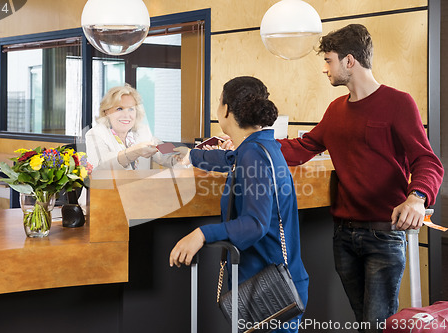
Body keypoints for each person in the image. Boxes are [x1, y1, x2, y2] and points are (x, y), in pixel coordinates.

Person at [277, 24, 444, 332]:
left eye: (329, 60)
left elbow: (427, 161)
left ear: (349, 61)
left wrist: (417, 197)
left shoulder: (398, 103)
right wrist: (251, 143)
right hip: (344, 237)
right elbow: (302, 148)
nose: (325, 69)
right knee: (365, 323)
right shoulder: (335, 110)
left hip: (384, 235)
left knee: (375, 324)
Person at [170, 76, 309, 333]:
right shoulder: (260, 146)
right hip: (276, 282)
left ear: (225, 109)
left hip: (271, 289)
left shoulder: (253, 154)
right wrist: (191, 155)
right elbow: (229, 158)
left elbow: (254, 224)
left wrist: (201, 233)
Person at [85, 84, 177, 170]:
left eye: (131, 109)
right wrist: (134, 151)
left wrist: (184, 153)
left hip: (137, 187)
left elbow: (163, 151)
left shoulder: (141, 131)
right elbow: (100, 167)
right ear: (106, 112)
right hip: (105, 187)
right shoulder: (95, 134)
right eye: (119, 109)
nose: (126, 115)